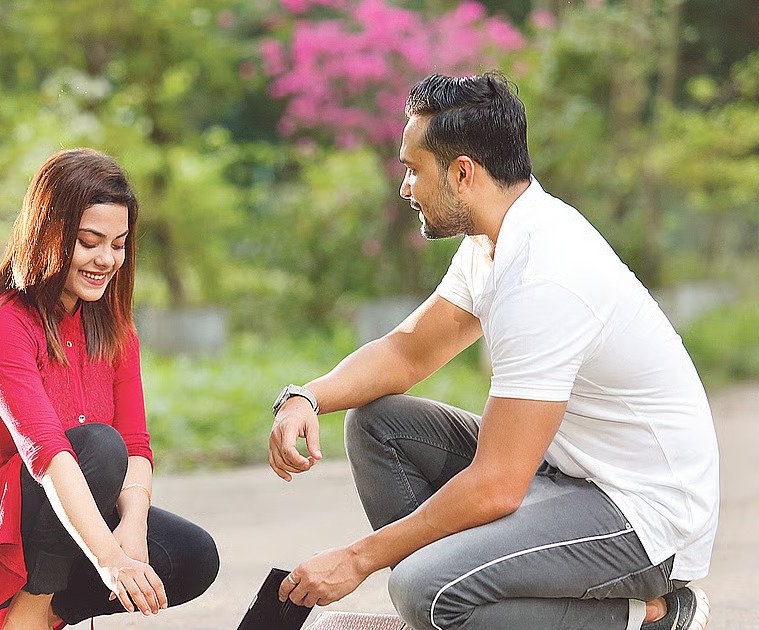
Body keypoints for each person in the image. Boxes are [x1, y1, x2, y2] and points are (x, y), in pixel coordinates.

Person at [267, 73, 717, 630]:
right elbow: (408, 352)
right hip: (567, 474)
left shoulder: (544, 277)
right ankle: (467, 606)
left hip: (642, 518)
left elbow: (498, 484)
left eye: (413, 170)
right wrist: (306, 397)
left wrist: (358, 559)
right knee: (378, 425)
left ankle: (650, 617)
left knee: (421, 589)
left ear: (462, 173)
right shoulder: (493, 240)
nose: (405, 188)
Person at [0, 149, 219, 630]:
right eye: (89, 242)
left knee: (191, 554)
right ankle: (25, 620)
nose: (106, 260)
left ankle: (39, 615)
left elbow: (136, 444)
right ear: (48, 235)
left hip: (50, 508)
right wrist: (110, 559)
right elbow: (48, 454)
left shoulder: (113, 327)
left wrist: (132, 530)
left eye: (118, 244)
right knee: (97, 447)